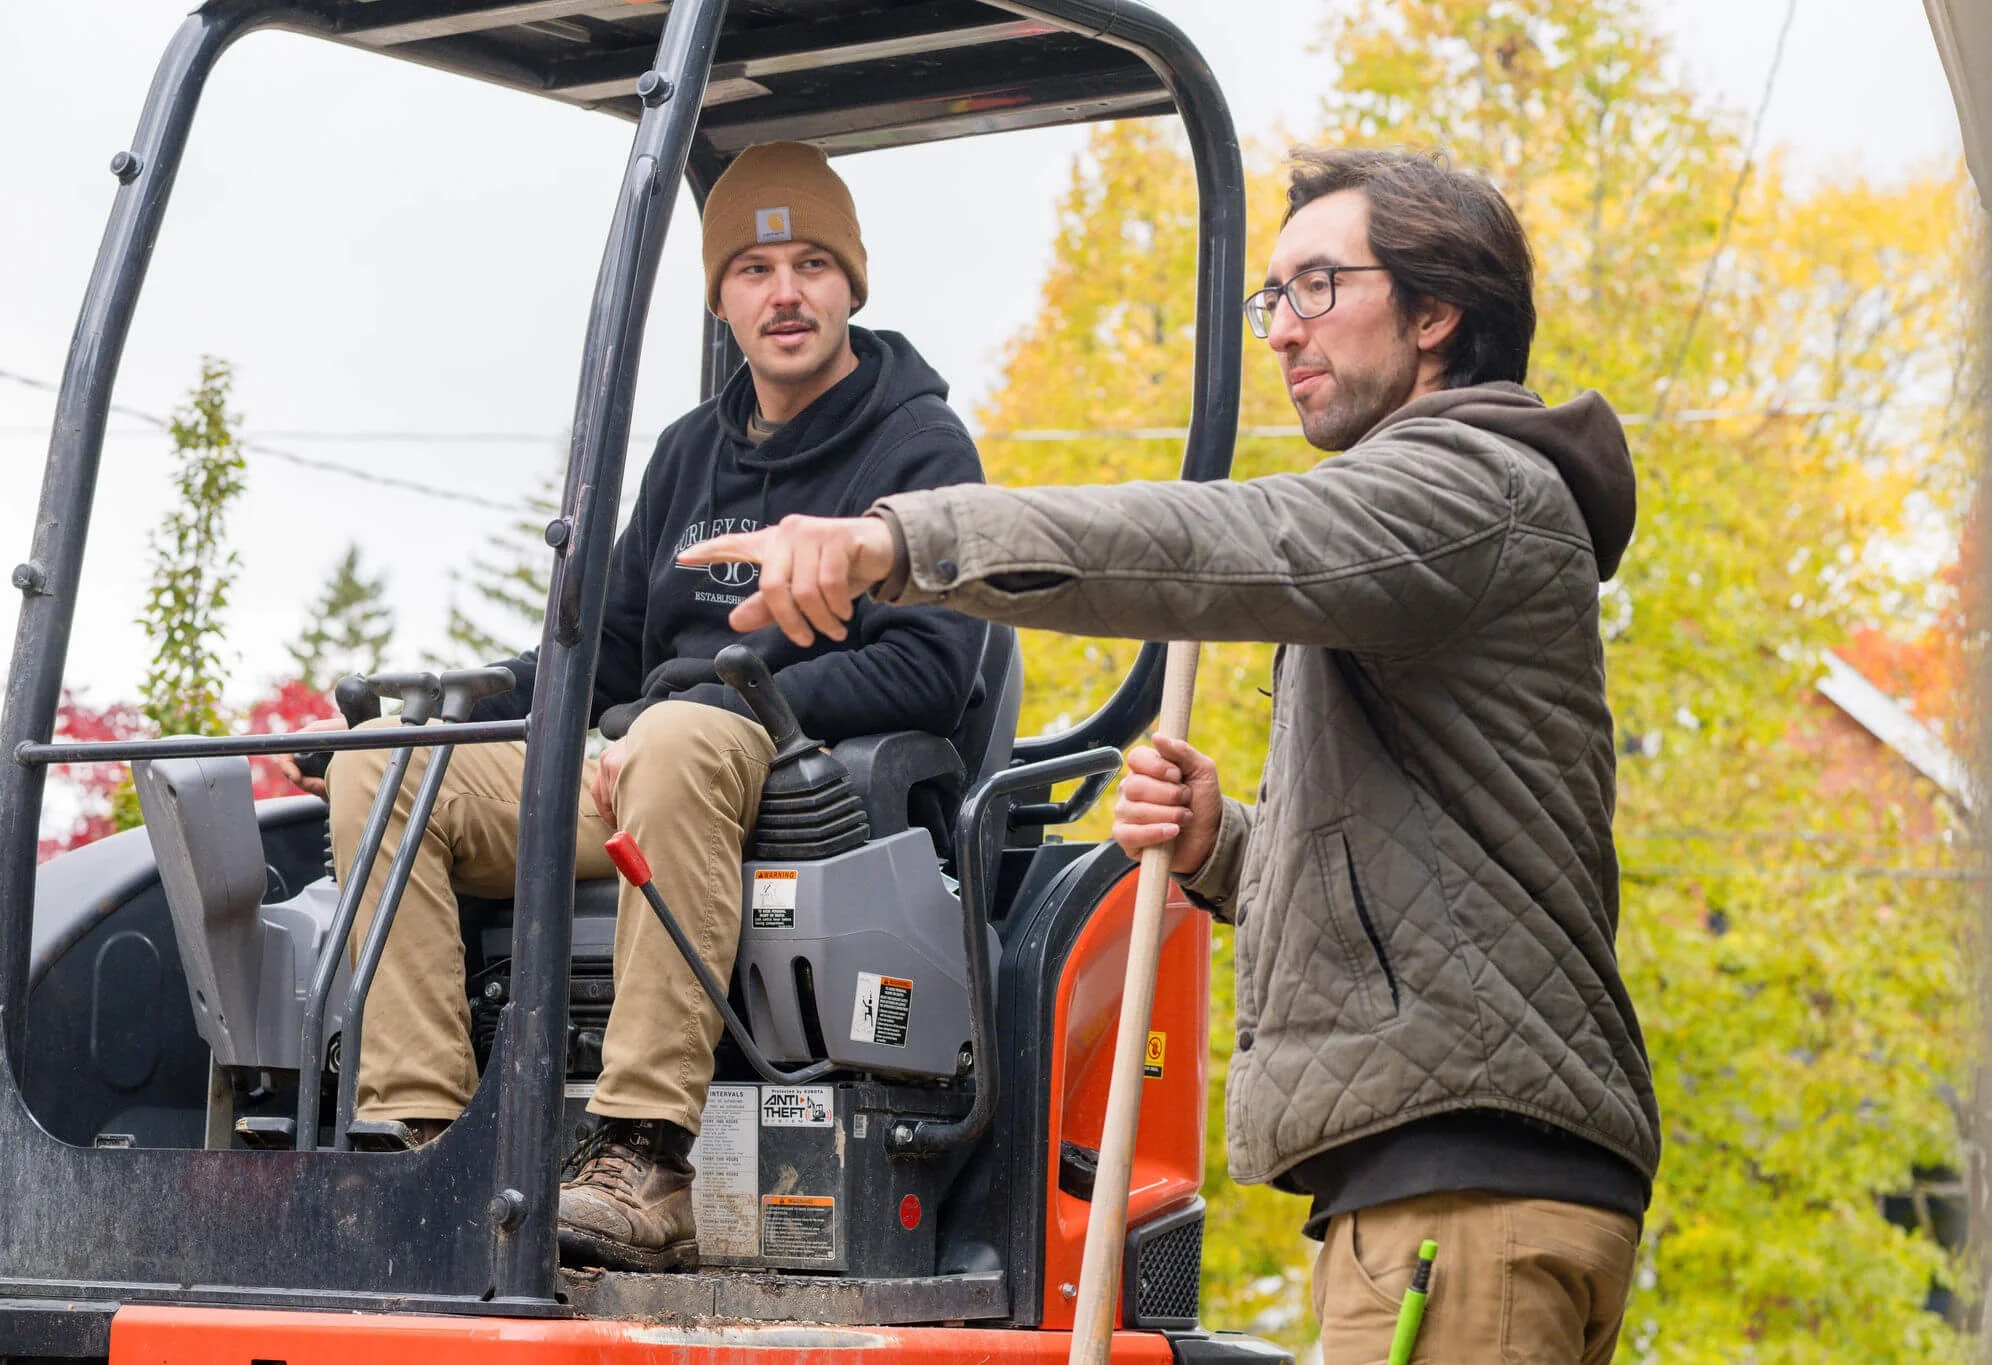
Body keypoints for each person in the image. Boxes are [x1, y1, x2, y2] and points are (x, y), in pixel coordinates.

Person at [677, 148, 1660, 1363]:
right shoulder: (1443, 525)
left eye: (1315, 287)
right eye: (1270, 300)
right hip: (1439, 1194)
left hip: (1461, 1201)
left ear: (1434, 313)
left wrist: (904, 540)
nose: (1283, 330)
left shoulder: (1469, 487)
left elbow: (1215, 539)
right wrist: (1220, 844)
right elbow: (1415, 885)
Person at [285, 141, 986, 1275]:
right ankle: (423, 1141)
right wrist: (462, 706)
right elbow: (599, 651)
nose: (786, 293)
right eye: (754, 269)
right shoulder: (687, 455)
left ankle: (643, 1156)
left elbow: (928, 671)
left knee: (674, 736)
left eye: (812, 263)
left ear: (853, 283)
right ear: (721, 296)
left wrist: (716, 701)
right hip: (640, 762)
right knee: (388, 764)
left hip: (803, 785)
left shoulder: (918, 444)